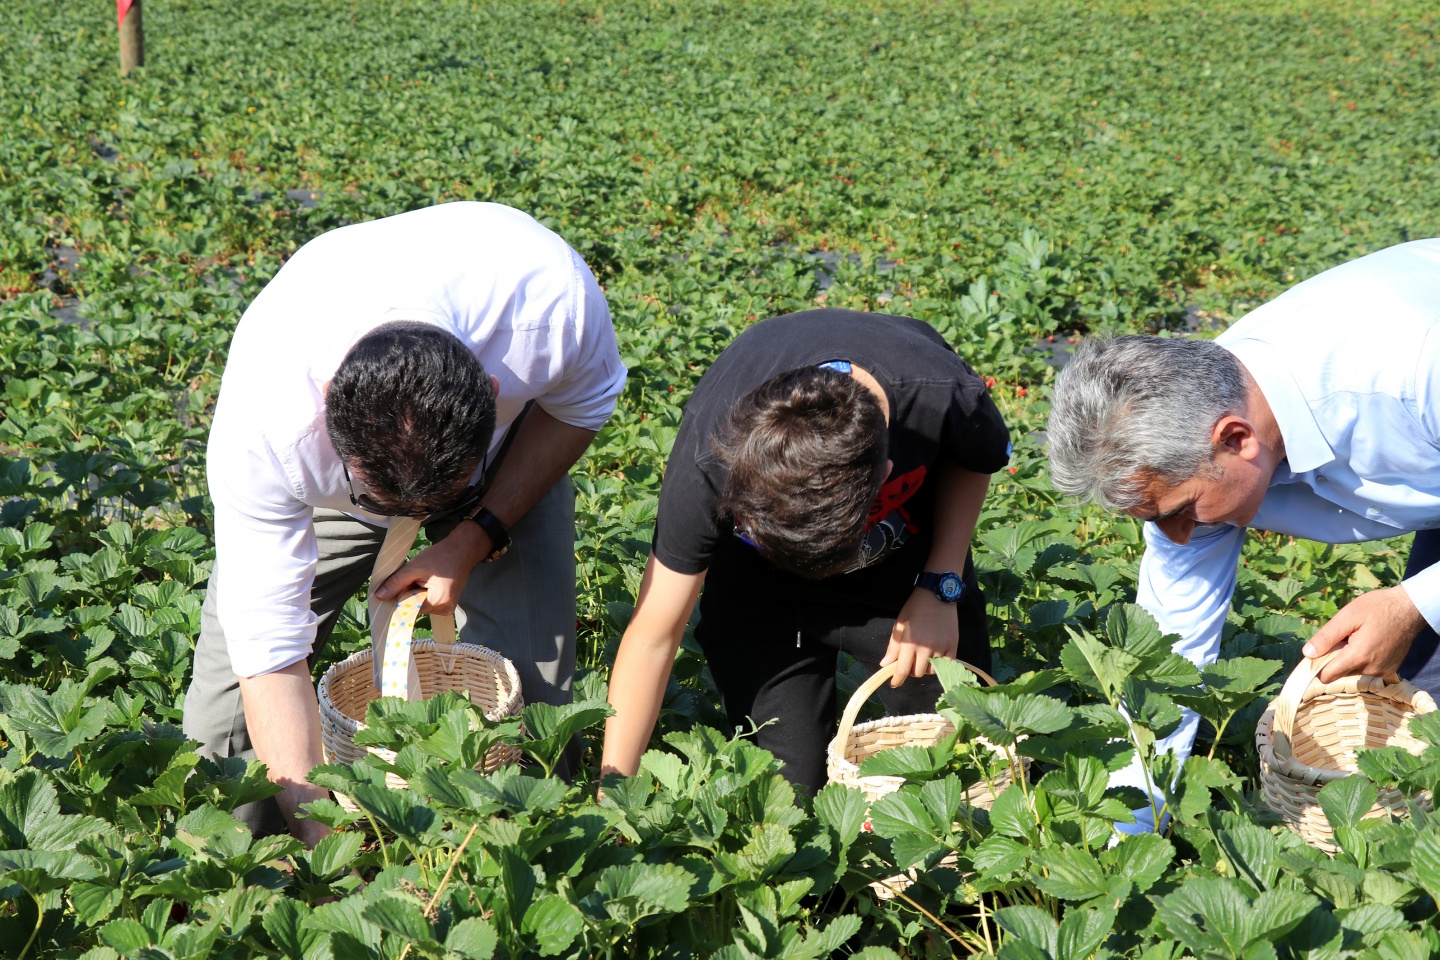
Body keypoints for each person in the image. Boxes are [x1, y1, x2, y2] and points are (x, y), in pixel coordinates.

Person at [184, 202, 626, 844]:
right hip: (334, 483)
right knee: (223, 718)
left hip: (492, 470)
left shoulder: (548, 311)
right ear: (333, 403)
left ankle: (516, 854)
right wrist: (326, 855)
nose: (414, 520)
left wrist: (477, 531)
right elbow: (270, 657)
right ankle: (235, 882)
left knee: (537, 699)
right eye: (392, 499)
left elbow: (582, 406)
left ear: (494, 386)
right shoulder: (269, 424)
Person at [1046, 237, 1440, 831]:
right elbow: (1174, 642)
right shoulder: (1200, 415)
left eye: (1180, 510)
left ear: (1236, 440)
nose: (1176, 537)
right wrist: (1135, 817)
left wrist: (1413, 602)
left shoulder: (1413, 370)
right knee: (1426, 712)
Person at [601, 309, 1011, 793]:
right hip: (761, 592)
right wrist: (614, 797)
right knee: (783, 791)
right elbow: (653, 634)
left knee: (950, 756)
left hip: (900, 575)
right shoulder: (711, 462)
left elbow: (974, 460)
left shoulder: (938, 393)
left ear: (884, 477)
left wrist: (940, 587)